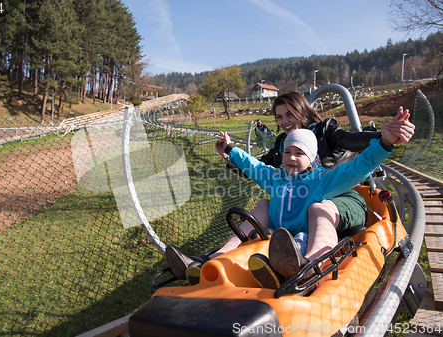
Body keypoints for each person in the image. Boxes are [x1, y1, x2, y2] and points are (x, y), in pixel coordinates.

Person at [166, 92, 414, 285]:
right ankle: (215, 258)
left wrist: (383, 141)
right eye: (279, 117)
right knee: (262, 204)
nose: (284, 122)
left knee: (318, 209)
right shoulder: (278, 167)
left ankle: (312, 264)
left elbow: (356, 162)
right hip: (285, 222)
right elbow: (254, 166)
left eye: (289, 115)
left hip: (335, 200)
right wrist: (230, 151)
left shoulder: (324, 154)